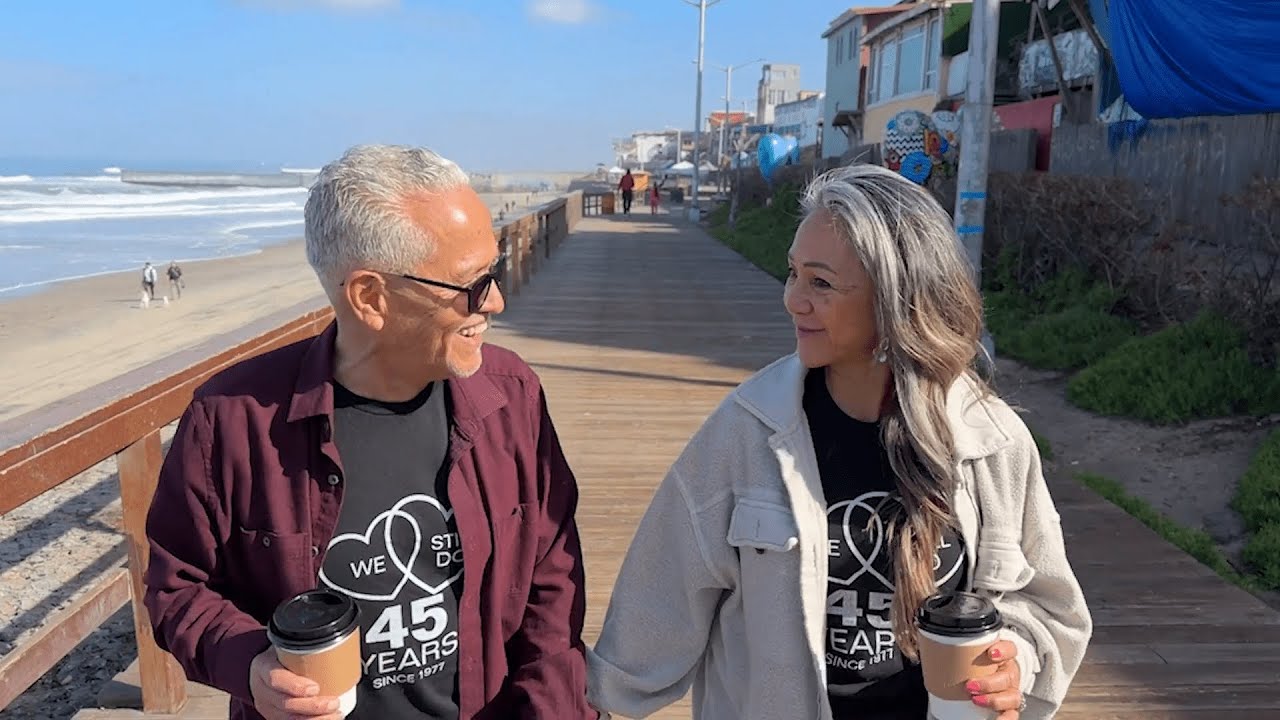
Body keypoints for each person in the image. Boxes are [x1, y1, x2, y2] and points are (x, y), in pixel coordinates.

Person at [586, 164, 1092, 720]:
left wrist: (1012, 660)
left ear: (897, 300)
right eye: (793, 274)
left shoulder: (991, 441)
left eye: (821, 283)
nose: (792, 300)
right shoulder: (746, 434)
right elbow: (649, 621)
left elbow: (1048, 607)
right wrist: (579, 697)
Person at [144, 145, 596, 720]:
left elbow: (551, 585)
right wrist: (251, 664)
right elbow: (176, 588)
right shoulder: (233, 420)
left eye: (495, 269)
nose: (496, 301)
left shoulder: (512, 397)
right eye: (472, 284)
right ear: (370, 297)